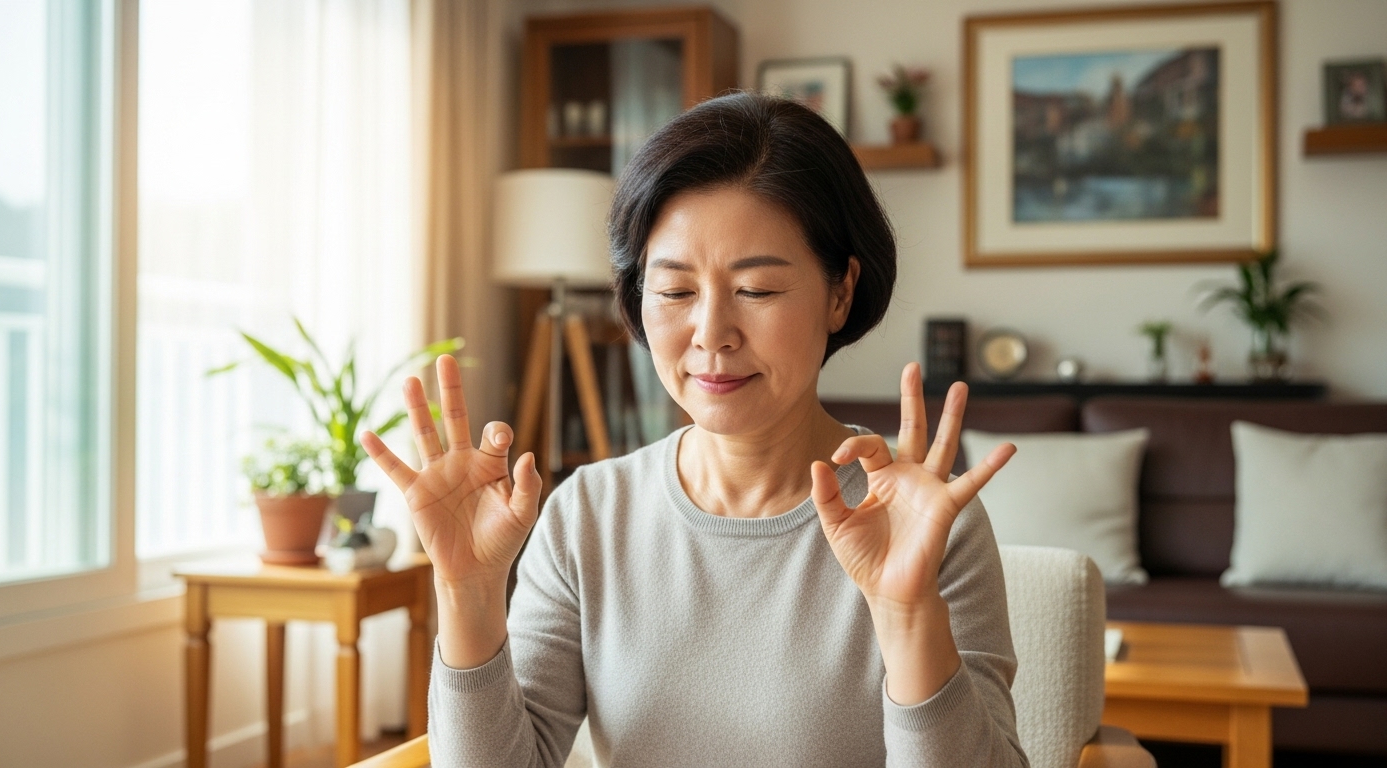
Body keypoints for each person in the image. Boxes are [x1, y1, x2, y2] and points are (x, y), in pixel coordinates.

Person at [362, 92, 1026, 767]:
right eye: (676, 292)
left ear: (840, 292)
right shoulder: (587, 516)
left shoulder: (926, 527)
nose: (711, 334)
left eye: (756, 290)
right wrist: (468, 592)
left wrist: (910, 616)